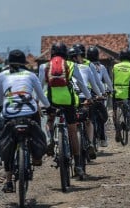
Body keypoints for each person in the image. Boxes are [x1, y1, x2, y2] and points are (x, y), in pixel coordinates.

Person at [0, 49, 52, 192]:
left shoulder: (2, 75)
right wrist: (49, 107)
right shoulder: (31, 75)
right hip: (30, 112)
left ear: (9, 62)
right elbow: (41, 96)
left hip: (9, 114)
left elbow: (0, 100)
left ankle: (8, 182)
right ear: (24, 63)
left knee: (8, 141)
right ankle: (36, 157)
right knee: (36, 126)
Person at [38, 42, 93, 177]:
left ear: (52, 53)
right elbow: (81, 84)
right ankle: (78, 165)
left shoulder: (44, 66)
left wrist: (39, 103)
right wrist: (89, 97)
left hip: (51, 100)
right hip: (68, 101)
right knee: (73, 131)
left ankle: (50, 138)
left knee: (50, 120)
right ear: (66, 54)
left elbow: (40, 87)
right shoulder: (71, 65)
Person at [68, 46, 104, 159]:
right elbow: (93, 84)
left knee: (69, 124)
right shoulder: (85, 67)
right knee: (88, 121)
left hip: (70, 99)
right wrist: (98, 96)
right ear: (78, 57)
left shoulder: (65, 67)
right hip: (84, 97)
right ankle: (90, 143)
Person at [86, 46, 113, 147]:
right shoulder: (101, 67)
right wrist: (110, 90)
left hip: (86, 93)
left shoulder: (84, 66)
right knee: (101, 116)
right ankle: (102, 139)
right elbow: (107, 81)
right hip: (98, 93)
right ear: (97, 56)